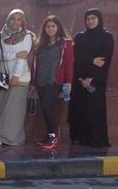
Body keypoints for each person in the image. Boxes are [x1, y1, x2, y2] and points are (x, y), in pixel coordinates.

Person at [69, 8, 114, 148]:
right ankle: (80, 138)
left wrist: (91, 78)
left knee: (95, 111)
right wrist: (91, 61)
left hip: (96, 81)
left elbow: (104, 61)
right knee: (80, 109)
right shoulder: (79, 37)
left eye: (93, 18)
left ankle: (96, 140)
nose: (90, 21)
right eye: (88, 19)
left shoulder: (106, 37)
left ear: (99, 19)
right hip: (79, 80)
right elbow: (75, 58)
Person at [0, 9, 34, 146]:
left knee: (13, 109)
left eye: (19, 19)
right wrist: (13, 56)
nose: (16, 22)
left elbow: (22, 58)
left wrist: (15, 76)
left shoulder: (26, 36)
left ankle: (8, 138)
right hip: (3, 77)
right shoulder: (1, 34)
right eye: (13, 19)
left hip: (18, 78)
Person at [31, 15, 74, 150]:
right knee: (45, 108)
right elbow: (35, 64)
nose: (50, 29)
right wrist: (33, 82)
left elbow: (69, 64)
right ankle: (49, 135)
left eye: (53, 26)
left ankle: (53, 136)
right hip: (40, 81)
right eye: (48, 26)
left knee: (47, 106)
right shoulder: (40, 45)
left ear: (58, 27)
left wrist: (68, 82)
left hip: (55, 81)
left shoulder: (65, 43)